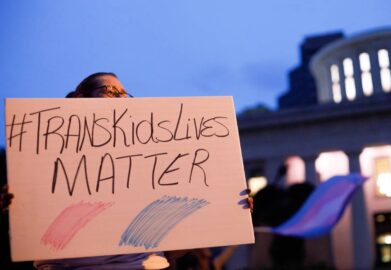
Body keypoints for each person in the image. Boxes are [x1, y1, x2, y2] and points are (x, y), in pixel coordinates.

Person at [2, 72, 253, 270]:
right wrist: (15, 209)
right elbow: (30, 226)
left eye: (125, 94)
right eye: (110, 91)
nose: (121, 98)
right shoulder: (42, 151)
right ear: (80, 98)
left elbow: (172, 248)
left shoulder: (153, 155)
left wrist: (228, 210)